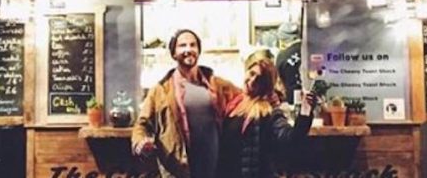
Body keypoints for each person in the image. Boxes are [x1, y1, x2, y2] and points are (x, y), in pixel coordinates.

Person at [132, 29, 240, 178]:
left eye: (193, 45)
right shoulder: (161, 90)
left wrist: (271, 97)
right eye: (182, 45)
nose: (188, 49)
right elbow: (142, 124)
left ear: (199, 50)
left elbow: (246, 97)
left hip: (215, 168)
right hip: (178, 169)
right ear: (173, 53)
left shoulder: (216, 84)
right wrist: (140, 143)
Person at [218, 49, 316, 178]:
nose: (252, 80)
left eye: (259, 79)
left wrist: (305, 111)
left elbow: (291, 138)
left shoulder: (268, 111)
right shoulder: (235, 102)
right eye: (251, 73)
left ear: (266, 84)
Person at [275, 22, 302, 104]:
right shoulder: (311, 50)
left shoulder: (282, 56)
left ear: (282, 40)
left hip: (292, 101)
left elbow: (279, 82)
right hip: (314, 100)